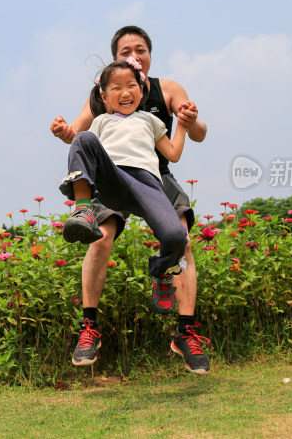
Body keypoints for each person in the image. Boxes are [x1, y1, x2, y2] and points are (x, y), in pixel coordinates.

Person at [51, 25, 210, 373]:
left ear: (149, 57)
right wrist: (66, 133)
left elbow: (194, 136)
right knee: (102, 237)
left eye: (140, 50)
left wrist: (189, 121)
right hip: (112, 174)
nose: (133, 56)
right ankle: (89, 327)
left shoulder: (167, 90)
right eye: (125, 52)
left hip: (155, 175)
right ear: (108, 83)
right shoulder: (103, 97)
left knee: (180, 240)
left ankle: (184, 327)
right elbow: (78, 136)